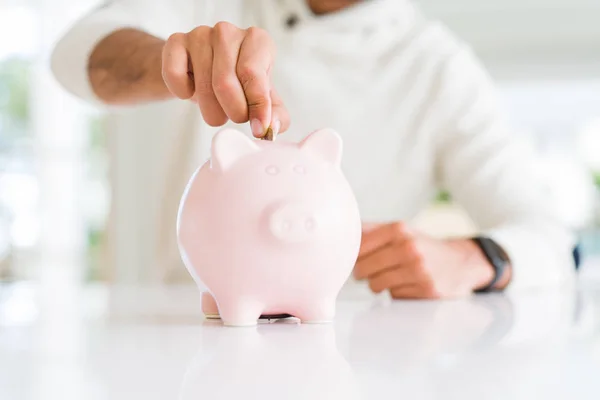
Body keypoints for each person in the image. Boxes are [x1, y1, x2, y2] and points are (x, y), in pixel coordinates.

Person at [50, 0, 578, 299]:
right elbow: (76, 53)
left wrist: (475, 258)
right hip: (176, 330)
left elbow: (548, 235)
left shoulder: (437, 68)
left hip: (344, 340)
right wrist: (170, 60)